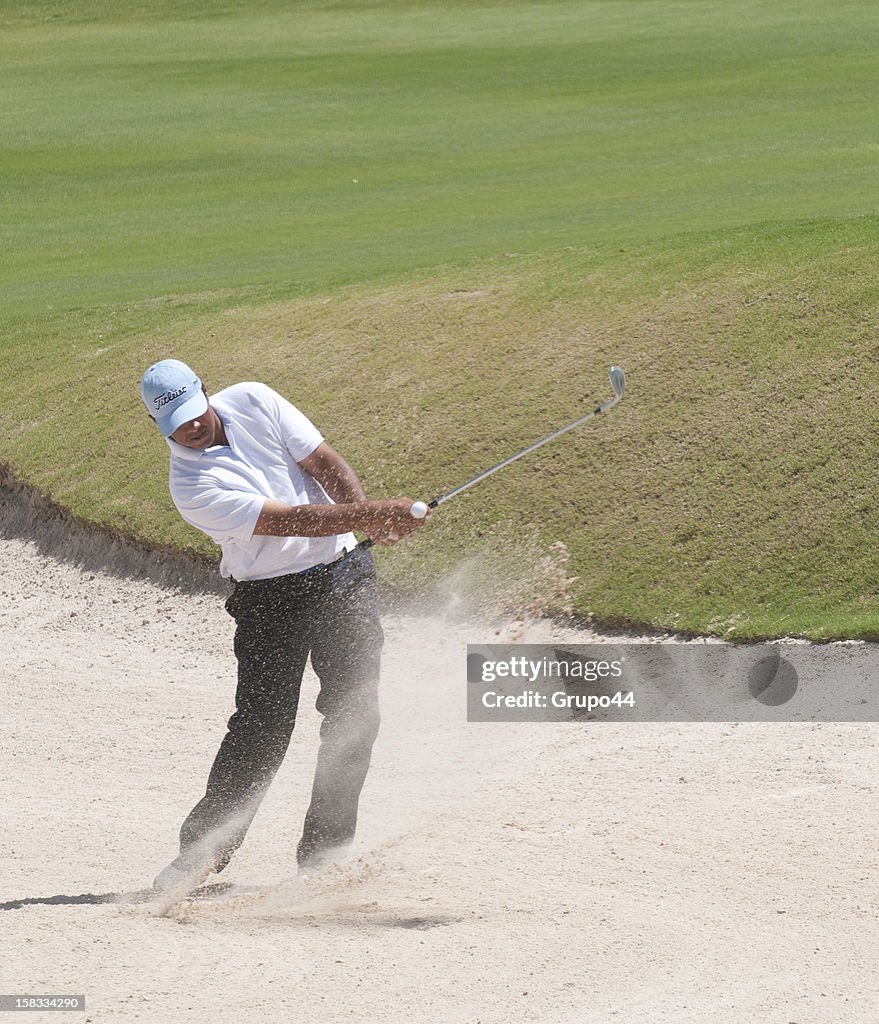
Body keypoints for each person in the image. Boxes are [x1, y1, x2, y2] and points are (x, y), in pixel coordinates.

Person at [139, 358, 427, 894]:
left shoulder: (252, 398)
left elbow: (321, 461)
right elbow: (287, 519)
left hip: (344, 577)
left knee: (355, 712)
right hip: (269, 599)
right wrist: (372, 517)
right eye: (176, 423)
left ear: (204, 390)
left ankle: (324, 856)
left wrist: (363, 513)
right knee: (263, 727)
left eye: (194, 412)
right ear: (161, 427)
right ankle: (201, 854)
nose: (191, 428)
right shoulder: (191, 485)